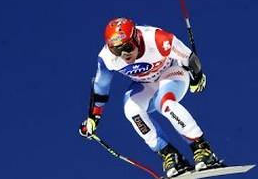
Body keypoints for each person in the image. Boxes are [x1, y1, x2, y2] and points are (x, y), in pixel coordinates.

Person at [79, 17, 221, 178]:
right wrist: (94, 116)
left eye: (127, 47)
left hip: (172, 73)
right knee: (131, 109)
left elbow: (189, 57)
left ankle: (201, 147)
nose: (124, 54)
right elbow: (101, 86)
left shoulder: (156, 38)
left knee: (164, 103)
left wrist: (197, 76)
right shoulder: (107, 58)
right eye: (117, 51)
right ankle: (169, 154)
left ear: (136, 38)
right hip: (145, 83)